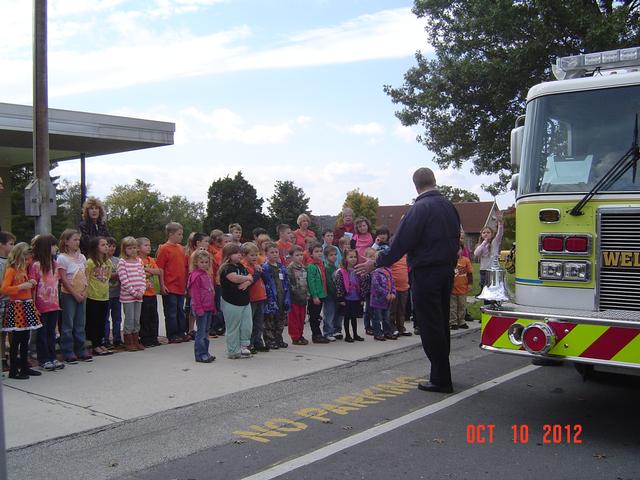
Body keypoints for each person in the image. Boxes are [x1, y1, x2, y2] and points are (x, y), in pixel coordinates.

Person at [356, 167, 460, 393]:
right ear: (434, 181)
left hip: (426, 272)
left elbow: (400, 243)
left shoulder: (419, 209)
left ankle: (441, 378)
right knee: (441, 323)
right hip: (446, 271)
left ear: (416, 186)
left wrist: (375, 262)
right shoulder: (449, 207)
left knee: (430, 325)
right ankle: (442, 372)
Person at [1, 242, 42, 379]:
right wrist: (21, 287)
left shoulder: (23, 269)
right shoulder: (11, 270)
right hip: (17, 305)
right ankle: (13, 370)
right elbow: (4, 289)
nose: (28, 260)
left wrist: (30, 282)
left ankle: (24, 367)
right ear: (19, 256)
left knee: (25, 338)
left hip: (26, 304)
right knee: (17, 339)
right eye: (26, 257)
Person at [30, 234, 64, 371]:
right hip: (41, 306)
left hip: (54, 304)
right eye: (53, 245)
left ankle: (52, 356)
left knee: (51, 332)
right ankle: (43, 359)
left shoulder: (55, 265)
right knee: (42, 333)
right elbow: (33, 288)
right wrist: (33, 305)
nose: (56, 248)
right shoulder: (36, 266)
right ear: (45, 247)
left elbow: (58, 284)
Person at [57, 229, 92, 363]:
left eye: (78, 240)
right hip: (69, 294)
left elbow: (85, 274)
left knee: (80, 323)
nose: (77, 242)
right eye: (74, 240)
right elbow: (64, 279)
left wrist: (84, 291)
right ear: (66, 241)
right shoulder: (62, 258)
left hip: (82, 293)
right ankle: (68, 351)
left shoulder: (82, 257)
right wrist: (75, 293)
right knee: (68, 324)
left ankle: (81, 349)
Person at [218, 243, 253, 359]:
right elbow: (234, 278)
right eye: (236, 253)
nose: (239, 255)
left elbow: (250, 276)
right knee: (233, 326)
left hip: (244, 301)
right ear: (229, 255)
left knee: (247, 325)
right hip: (231, 301)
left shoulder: (241, 266)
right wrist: (247, 278)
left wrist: (248, 281)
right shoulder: (227, 268)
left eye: (240, 253)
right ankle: (233, 350)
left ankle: (244, 346)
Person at [157, 222, 189, 344]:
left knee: (180, 310)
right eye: (179, 234)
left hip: (180, 286)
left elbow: (184, 267)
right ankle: (172, 334)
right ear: (171, 234)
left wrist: (186, 284)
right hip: (170, 285)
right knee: (171, 312)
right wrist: (162, 284)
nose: (181, 236)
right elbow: (161, 268)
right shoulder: (164, 248)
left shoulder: (181, 248)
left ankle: (181, 332)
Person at [85, 237, 113, 356]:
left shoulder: (108, 262)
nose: (106, 246)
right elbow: (86, 277)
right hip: (93, 296)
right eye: (103, 245)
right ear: (95, 247)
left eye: (107, 244)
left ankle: (101, 343)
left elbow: (108, 277)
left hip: (104, 296)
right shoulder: (90, 262)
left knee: (102, 321)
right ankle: (95, 344)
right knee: (93, 321)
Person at [187, 250, 216, 363]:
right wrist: (199, 309)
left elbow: (210, 292)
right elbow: (195, 295)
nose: (204, 264)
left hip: (209, 307)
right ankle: (200, 354)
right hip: (201, 309)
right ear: (196, 263)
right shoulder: (196, 276)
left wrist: (213, 307)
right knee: (201, 331)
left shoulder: (206, 275)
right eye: (202, 262)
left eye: (206, 262)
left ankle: (206, 352)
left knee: (206, 331)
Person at [118, 236, 146, 351]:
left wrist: (142, 290)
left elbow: (143, 276)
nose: (132, 250)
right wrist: (133, 292)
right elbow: (124, 280)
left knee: (136, 319)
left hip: (139, 295)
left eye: (134, 248)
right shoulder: (122, 262)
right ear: (124, 249)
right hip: (128, 296)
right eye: (129, 248)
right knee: (129, 318)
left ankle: (135, 339)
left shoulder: (139, 261)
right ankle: (128, 341)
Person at [261, 242, 291, 349]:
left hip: (281, 296)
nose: (274, 254)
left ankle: (278, 338)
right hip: (271, 298)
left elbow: (286, 282)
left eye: (276, 252)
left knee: (281, 320)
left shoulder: (281, 267)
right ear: (266, 254)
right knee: (269, 322)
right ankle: (270, 340)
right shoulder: (265, 268)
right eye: (271, 252)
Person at [241, 242, 268, 353]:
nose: (254, 257)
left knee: (259, 322)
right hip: (251, 298)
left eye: (256, 255)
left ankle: (258, 342)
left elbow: (265, 279)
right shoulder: (244, 266)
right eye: (252, 255)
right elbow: (250, 281)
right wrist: (257, 272)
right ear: (245, 255)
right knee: (249, 323)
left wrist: (261, 270)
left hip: (260, 296)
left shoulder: (257, 265)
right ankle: (249, 344)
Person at [334, 248, 364, 343]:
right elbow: (339, 285)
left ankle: (355, 334)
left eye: (355, 257)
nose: (353, 259)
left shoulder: (357, 270)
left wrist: (362, 297)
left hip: (356, 298)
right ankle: (347, 335)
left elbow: (361, 284)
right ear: (345, 258)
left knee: (354, 317)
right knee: (347, 317)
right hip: (346, 298)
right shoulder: (341, 271)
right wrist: (341, 298)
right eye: (350, 257)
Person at [138, 237, 163, 347]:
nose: (149, 247)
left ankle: (154, 337)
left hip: (152, 292)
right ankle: (145, 338)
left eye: (149, 245)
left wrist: (147, 270)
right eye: (146, 245)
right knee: (144, 317)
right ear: (138, 248)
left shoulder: (151, 260)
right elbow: (138, 273)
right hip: (142, 293)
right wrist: (148, 272)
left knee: (153, 316)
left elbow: (158, 271)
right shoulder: (137, 260)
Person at [474, 211, 504, 295]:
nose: (486, 234)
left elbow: (500, 233)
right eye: (484, 233)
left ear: (492, 234)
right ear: (481, 235)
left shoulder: (495, 242)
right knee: (484, 289)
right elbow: (476, 253)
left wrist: (500, 223)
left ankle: (494, 303)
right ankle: (485, 302)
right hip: (483, 270)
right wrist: (484, 242)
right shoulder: (480, 245)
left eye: (488, 232)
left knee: (493, 289)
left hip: (493, 270)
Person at [369, 250, 396, 341]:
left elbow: (392, 283)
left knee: (386, 318)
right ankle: (378, 333)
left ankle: (387, 332)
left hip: (387, 300)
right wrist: (386, 294)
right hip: (378, 300)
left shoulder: (389, 271)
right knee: (377, 318)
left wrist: (393, 293)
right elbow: (376, 286)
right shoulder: (376, 272)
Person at [306, 242, 329, 344]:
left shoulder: (321, 264)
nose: (319, 253)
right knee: (314, 316)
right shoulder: (311, 266)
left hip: (322, 293)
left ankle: (318, 334)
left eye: (320, 251)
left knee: (318, 316)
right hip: (316, 295)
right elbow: (311, 282)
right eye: (316, 252)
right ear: (311, 254)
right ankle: (316, 335)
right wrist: (314, 296)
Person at [0, 231, 16, 371]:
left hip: (11, 300)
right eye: (11, 244)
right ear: (1, 245)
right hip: (2, 299)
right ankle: (2, 357)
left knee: (11, 330)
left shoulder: (12, 262)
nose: (13, 246)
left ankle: (12, 355)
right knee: (1, 332)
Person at [286, 245, 309, 345]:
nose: (300, 257)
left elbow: (306, 282)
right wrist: (295, 293)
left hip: (303, 297)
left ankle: (300, 334)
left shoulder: (303, 268)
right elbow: (289, 283)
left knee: (301, 318)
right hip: (294, 298)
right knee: (294, 318)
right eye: (297, 255)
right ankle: (295, 337)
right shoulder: (290, 268)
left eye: (301, 255)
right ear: (291, 256)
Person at [104, 237, 123, 349]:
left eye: (113, 246)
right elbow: (105, 275)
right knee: (105, 319)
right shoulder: (102, 260)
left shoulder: (118, 260)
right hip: (106, 294)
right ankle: (106, 339)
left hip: (117, 294)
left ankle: (117, 338)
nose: (111, 248)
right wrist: (115, 275)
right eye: (108, 245)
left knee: (117, 318)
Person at [450, 244, 473, 330]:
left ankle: (461, 321)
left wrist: (470, 284)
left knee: (462, 306)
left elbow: (470, 273)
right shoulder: (450, 261)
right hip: (452, 289)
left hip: (463, 288)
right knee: (452, 306)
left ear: (462, 250)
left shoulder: (466, 260)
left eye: (459, 249)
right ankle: (453, 322)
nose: (457, 251)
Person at [390, 253, 412, 337]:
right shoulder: (391, 256)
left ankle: (401, 327)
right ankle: (392, 327)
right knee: (392, 309)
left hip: (404, 287)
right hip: (394, 288)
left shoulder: (406, 257)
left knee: (402, 309)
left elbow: (408, 269)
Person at [322, 245, 340, 341]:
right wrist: (335, 293)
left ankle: (334, 330)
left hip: (336, 294)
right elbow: (329, 283)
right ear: (326, 257)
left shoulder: (335, 267)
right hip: (330, 295)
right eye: (331, 255)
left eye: (335, 254)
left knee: (336, 314)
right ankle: (327, 332)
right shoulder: (327, 268)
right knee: (329, 314)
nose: (334, 256)